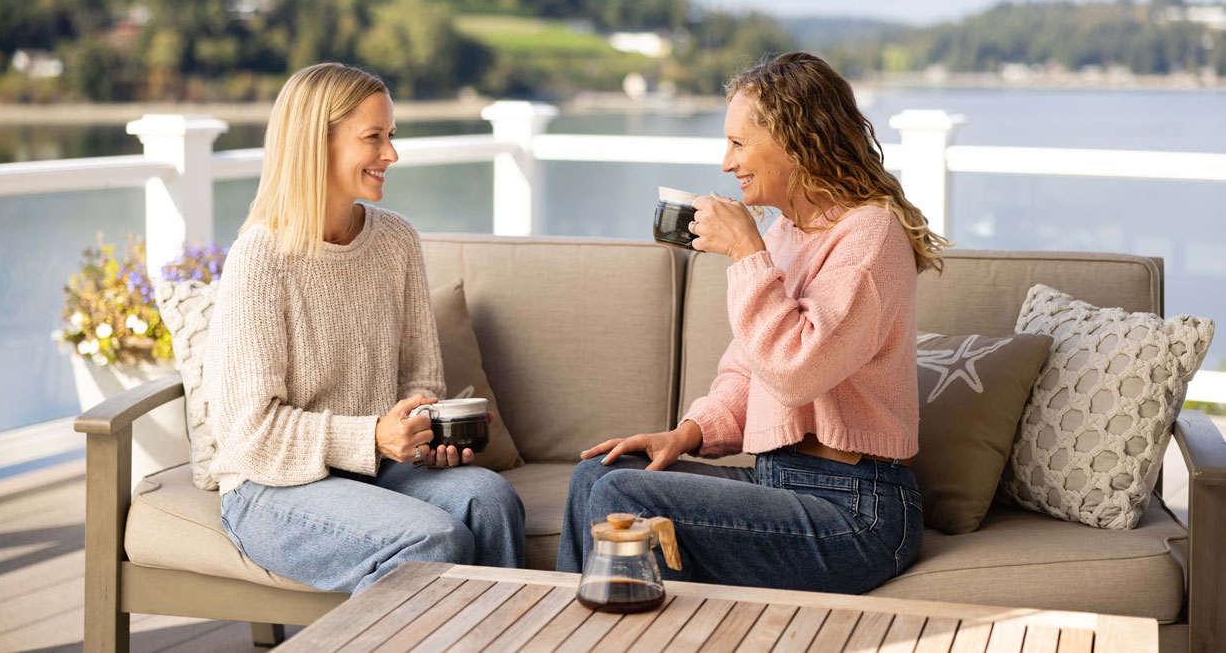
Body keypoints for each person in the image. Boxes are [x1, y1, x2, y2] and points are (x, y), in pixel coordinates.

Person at [557, 52, 947, 593]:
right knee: (595, 478)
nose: (725, 162)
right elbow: (749, 373)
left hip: (858, 508)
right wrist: (686, 434)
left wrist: (746, 252)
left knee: (627, 499)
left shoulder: (868, 236)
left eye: (739, 144)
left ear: (797, 140)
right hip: (779, 483)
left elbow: (796, 372)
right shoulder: (785, 235)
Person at [206, 62, 524, 594]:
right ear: (316, 144)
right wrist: (371, 436)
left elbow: (420, 379)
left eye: (391, 136)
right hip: (268, 487)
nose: (391, 155)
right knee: (432, 538)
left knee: (491, 500)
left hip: (374, 470)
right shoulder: (261, 256)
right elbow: (249, 435)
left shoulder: (396, 240)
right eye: (373, 138)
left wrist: (425, 431)